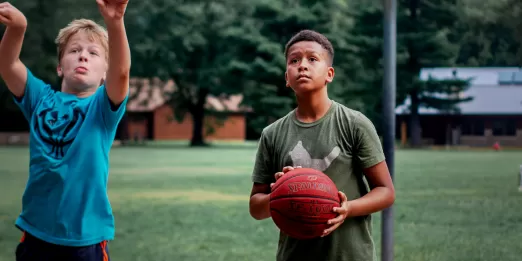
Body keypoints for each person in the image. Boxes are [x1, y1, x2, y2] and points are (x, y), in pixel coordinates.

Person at [249, 29, 396, 261]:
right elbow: (255, 207)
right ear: (287, 77)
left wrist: (348, 209)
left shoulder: (354, 124)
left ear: (329, 74)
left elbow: (386, 192)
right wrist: (280, 192)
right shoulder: (272, 134)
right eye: (294, 60)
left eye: (312, 59)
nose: (302, 65)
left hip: (350, 255)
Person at [0, 0, 130, 260]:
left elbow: (122, 72)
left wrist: (115, 23)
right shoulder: (39, 99)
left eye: (94, 53)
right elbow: (8, 65)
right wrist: (18, 28)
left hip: (85, 240)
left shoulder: (102, 109)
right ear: (60, 66)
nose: (83, 55)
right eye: (74, 50)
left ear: (105, 72)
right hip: (36, 233)